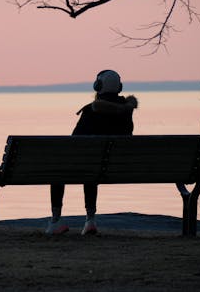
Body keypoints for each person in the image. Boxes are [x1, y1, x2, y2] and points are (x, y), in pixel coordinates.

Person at [46, 70, 138, 235]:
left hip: (90, 164)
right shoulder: (127, 111)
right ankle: (90, 220)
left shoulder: (91, 111)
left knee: (57, 169)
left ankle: (56, 221)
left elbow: (74, 142)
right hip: (116, 167)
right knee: (92, 168)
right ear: (119, 88)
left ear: (98, 87)